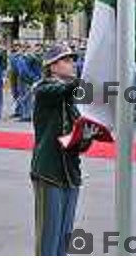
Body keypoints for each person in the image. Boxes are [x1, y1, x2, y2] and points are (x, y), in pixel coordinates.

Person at [30, 44, 94, 256]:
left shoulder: (70, 101)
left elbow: (77, 143)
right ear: (52, 66)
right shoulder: (44, 89)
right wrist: (89, 74)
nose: (72, 64)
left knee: (64, 238)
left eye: (72, 60)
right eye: (66, 60)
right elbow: (63, 90)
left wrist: (87, 136)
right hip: (49, 171)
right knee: (49, 238)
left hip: (69, 173)